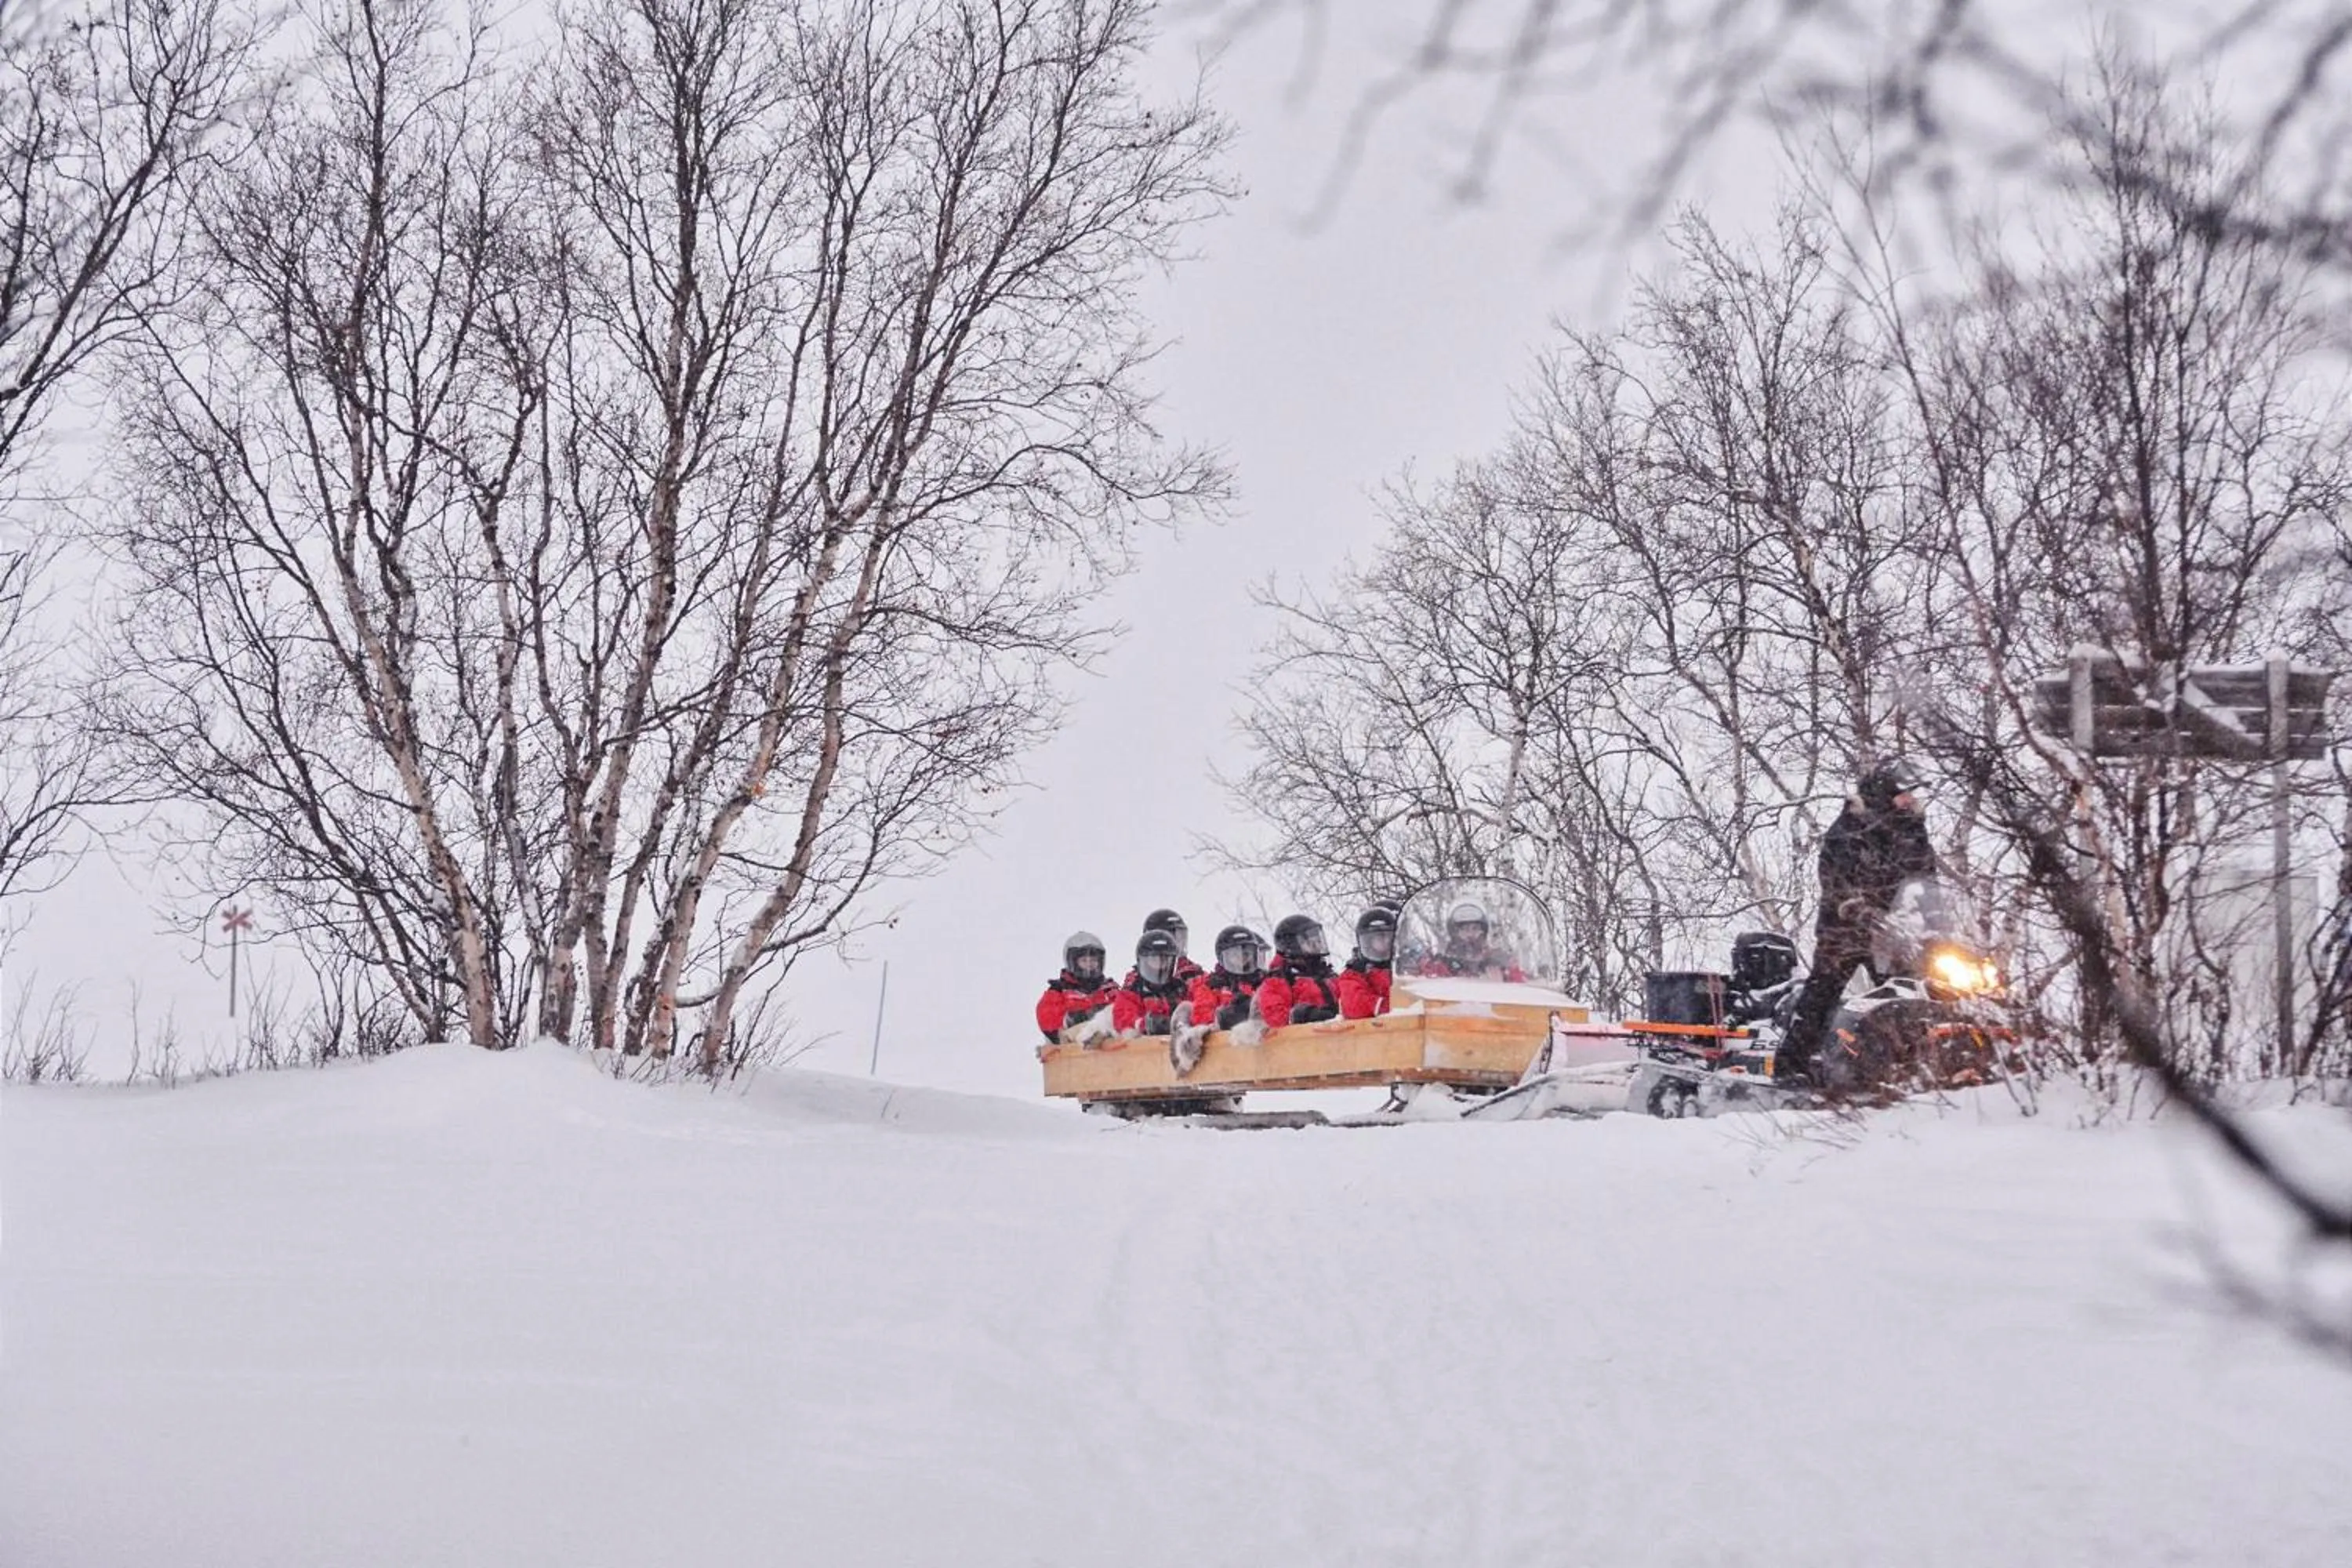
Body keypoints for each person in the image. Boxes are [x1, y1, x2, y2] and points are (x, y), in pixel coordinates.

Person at [1777, 760, 1941, 1086]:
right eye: (1904, 793)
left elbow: (1926, 879)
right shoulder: (1851, 827)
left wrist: (1936, 920)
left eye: (1912, 794)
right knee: (1823, 992)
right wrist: (1855, 906)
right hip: (1844, 930)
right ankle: (1791, 1066)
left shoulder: (1912, 830)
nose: (1910, 800)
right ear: (1886, 793)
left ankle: (1906, 1064)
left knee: (1908, 994)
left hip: (1894, 932)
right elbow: (1835, 875)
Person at [1255, 914, 1342, 1028]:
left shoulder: (1329, 975)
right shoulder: (1277, 982)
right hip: (1302, 1036)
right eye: (1310, 943)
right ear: (1292, 945)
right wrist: (1302, 1015)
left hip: (1338, 1033)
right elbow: (1275, 1016)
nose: (1316, 946)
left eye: (1318, 941)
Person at [1035, 931, 1117, 1043]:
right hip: (1072, 1044)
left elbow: (1123, 1008)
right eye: (1084, 961)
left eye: (1093, 960)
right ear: (1072, 962)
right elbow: (1048, 1020)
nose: (1089, 964)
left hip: (1109, 1042)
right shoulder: (1059, 991)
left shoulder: (1109, 989)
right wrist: (1072, 1019)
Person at [1414, 900, 1526, 982]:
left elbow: (1521, 987)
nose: (1470, 934)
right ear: (1455, 933)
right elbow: (1423, 983)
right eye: (1465, 929)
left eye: (1475, 928)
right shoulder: (1443, 963)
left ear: (1483, 932)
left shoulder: (1497, 960)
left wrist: (1505, 977)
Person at [1186, 924, 1267, 1032]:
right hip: (1226, 1038)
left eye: (1246, 955)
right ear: (1222, 958)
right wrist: (1225, 1016)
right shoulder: (1212, 986)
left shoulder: (1263, 982)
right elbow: (1201, 1018)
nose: (1241, 960)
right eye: (1235, 955)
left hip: (1265, 1035)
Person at [1113, 929, 1188, 1036]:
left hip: (1179, 1041)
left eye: (1165, 959)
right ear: (1143, 961)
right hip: (1146, 1044)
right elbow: (1123, 1017)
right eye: (1154, 959)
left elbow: (1197, 1009)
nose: (1160, 964)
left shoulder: (1181, 989)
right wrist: (1146, 1024)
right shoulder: (1132, 991)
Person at [1337, 905, 1399, 1019]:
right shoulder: (1355, 973)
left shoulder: (1402, 967)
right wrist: (1390, 1007)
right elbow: (1355, 1005)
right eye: (1380, 937)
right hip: (1379, 1028)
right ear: (1368, 941)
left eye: (1389, 936)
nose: (1386, 941)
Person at [1142, 908, 1207, 985]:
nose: (1180, 943)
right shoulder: (1139, 979)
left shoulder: (1194, 973)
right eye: (1174, 938)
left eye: (1182, 937)